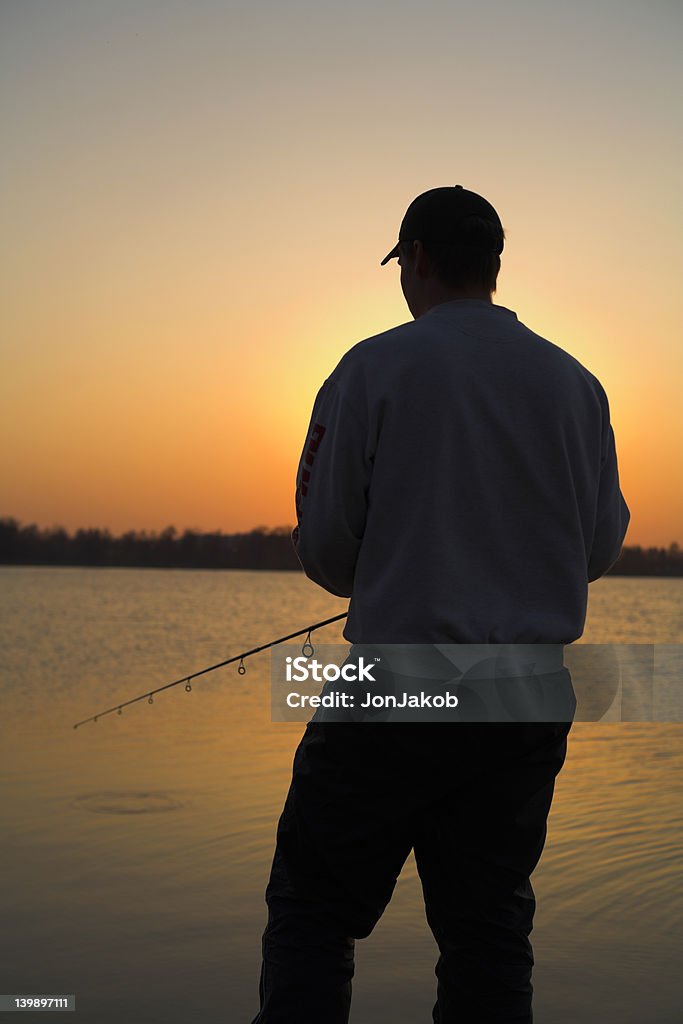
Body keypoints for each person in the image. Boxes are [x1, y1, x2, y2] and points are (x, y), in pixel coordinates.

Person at [249, 185, 630, 1023]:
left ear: (416, 259)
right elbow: (597, 551)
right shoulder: (578, 386)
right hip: (526, 700)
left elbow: (327, 552)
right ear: (494, 265)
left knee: (314, 912)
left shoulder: (371, 367)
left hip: (398, 688)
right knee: (488, 932)